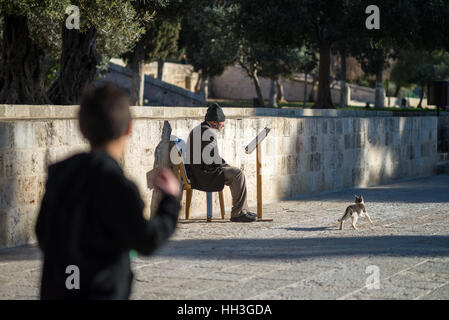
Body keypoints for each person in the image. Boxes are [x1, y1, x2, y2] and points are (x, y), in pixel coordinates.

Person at [35, 83, 181, 300]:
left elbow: (42, 232)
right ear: (129, 129)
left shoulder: (60, 175)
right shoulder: (116, 184)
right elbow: (146, 239)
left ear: (82, 129)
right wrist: (170, 201)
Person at [185, 103, 256, 222]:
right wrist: (226, 166)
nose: (223, 125)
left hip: (198, 171)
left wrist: (224, 165)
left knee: (234, 172)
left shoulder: (200, 129)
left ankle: (242, 210)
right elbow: (213, 159)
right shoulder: (208, 133)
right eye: (222, 123)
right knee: (237, 173)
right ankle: (238, 213)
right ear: (214, 122)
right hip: (204, 174)